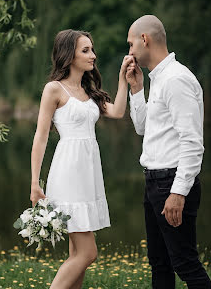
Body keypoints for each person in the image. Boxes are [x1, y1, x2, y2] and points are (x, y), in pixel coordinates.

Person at [30, 29, 132, 289]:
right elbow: (40, 137)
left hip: (89, 175)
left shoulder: (89, 91)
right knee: (88, 254)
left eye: (92, 49)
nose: (93, 56)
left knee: (77, 256)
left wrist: (123, 80)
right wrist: (34, 183)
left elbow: (118, 111)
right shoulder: (54, 89)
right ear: (69, 55)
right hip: (68, 173)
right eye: (85, 50)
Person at [125, 15, 211, 289]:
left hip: (171, 184)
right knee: (160, 265)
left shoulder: (176, 79)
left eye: (130, 45)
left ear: (144, 39)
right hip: (154, 181)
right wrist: (137, 89)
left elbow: (192, 142)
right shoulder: (159, 79)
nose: (129, 52)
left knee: (185, 264)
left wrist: (178, 193)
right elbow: (142, 128)